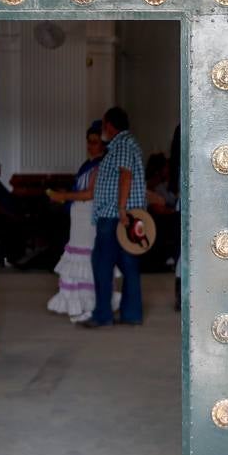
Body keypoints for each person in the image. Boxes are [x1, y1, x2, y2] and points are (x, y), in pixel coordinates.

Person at [46, 123, 120, 322]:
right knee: (78, 252)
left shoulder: (101, 165)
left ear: (103, 144)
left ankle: (90, 302)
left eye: (95, 142)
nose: (90, 146)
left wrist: (62, 196)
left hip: (89, 217)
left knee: (87, 255)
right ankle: (76, 301)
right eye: (88, 142)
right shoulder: (87, 165)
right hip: (78, 217)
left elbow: (90, 193)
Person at [82, 107, 146, 328]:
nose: (102, 130)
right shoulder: (128, 144)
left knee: (101, 262)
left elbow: (125, 175)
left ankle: (103, 315)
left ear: (109, 125)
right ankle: (131, 314)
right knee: (129, 264)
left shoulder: (121, 145)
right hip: (125, 216)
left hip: (114, 216)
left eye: (103, 125)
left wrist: (120, 208)